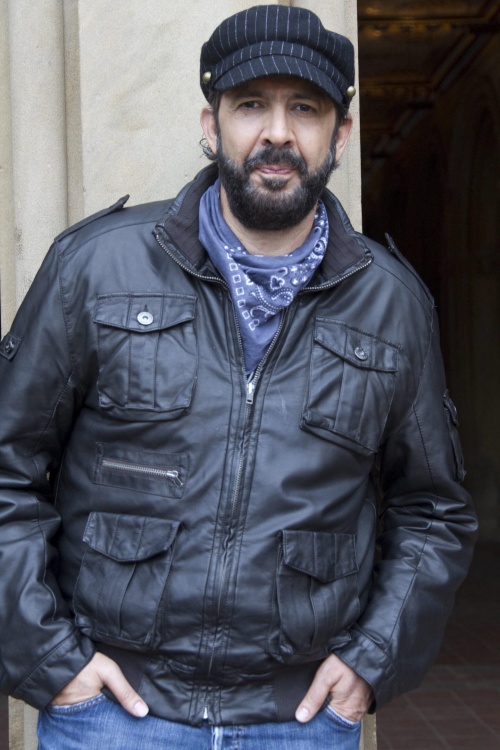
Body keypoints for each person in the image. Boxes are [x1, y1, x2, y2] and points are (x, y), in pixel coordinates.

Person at [0, 5, 476, 750]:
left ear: (341, 135)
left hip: (298, 722)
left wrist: (371, 661)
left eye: (306, 109)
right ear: (210, 124)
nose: (277, 133)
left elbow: (433, 510)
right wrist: (51, 660)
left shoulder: (391, 303)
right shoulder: (94, 267)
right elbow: (9, 470)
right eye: (251, 104)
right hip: (113, 716)